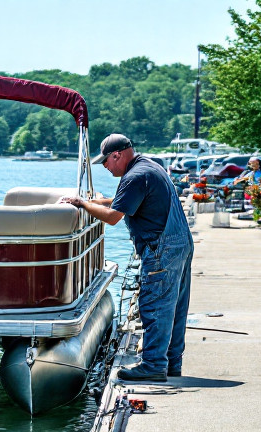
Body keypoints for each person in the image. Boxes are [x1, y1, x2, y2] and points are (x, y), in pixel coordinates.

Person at [59, 133, 194, 382]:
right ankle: (171, 364)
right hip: (180, 244)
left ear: (117, 155)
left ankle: (153, 365)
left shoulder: (134, 177)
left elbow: (112, 217)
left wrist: (82, 204)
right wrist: (96, 201)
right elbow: (124, 203)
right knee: (175, 308)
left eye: (106, 162)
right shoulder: (150, 167)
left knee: (155, 306)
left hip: (161, 248)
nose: (106, 168)